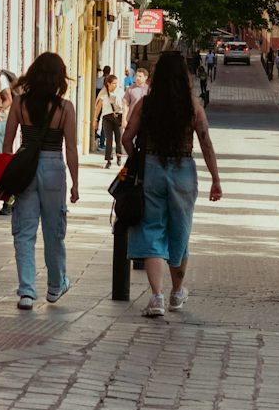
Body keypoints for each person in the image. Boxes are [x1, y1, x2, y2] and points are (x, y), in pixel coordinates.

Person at [123, 49, 222, 319]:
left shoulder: (146, 104)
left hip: (152, 168)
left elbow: (126, 138)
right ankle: (177, 293)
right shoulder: (192, 106)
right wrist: (215, 179)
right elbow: (205, 142)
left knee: (152, 229)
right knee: (181, 229)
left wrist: (138, 161)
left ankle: (156, 297)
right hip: (183, 170)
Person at [3, 52, 80, 310]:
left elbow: (7, 144)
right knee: (53, 231)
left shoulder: (19, 104)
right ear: (59, 78)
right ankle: (55, 286)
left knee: (24, 232)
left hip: (25, 165)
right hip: (53, 167)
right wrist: (75, 184)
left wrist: (6, 176)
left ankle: (26, 291)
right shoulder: (65, 108)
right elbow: (70, 149)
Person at [94, 71, 125, 164]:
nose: (116, 85)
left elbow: (124, 106)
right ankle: (108, 160)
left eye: (116, 83)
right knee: (109, 139)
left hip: (118, 116)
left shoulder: (120, 91)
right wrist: (95, 119)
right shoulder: (103, 92)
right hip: (107, 117)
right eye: (114, 83)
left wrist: (124, 119)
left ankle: (119, 156)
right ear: (108, 83)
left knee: (119, 138)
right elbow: (98, 107)